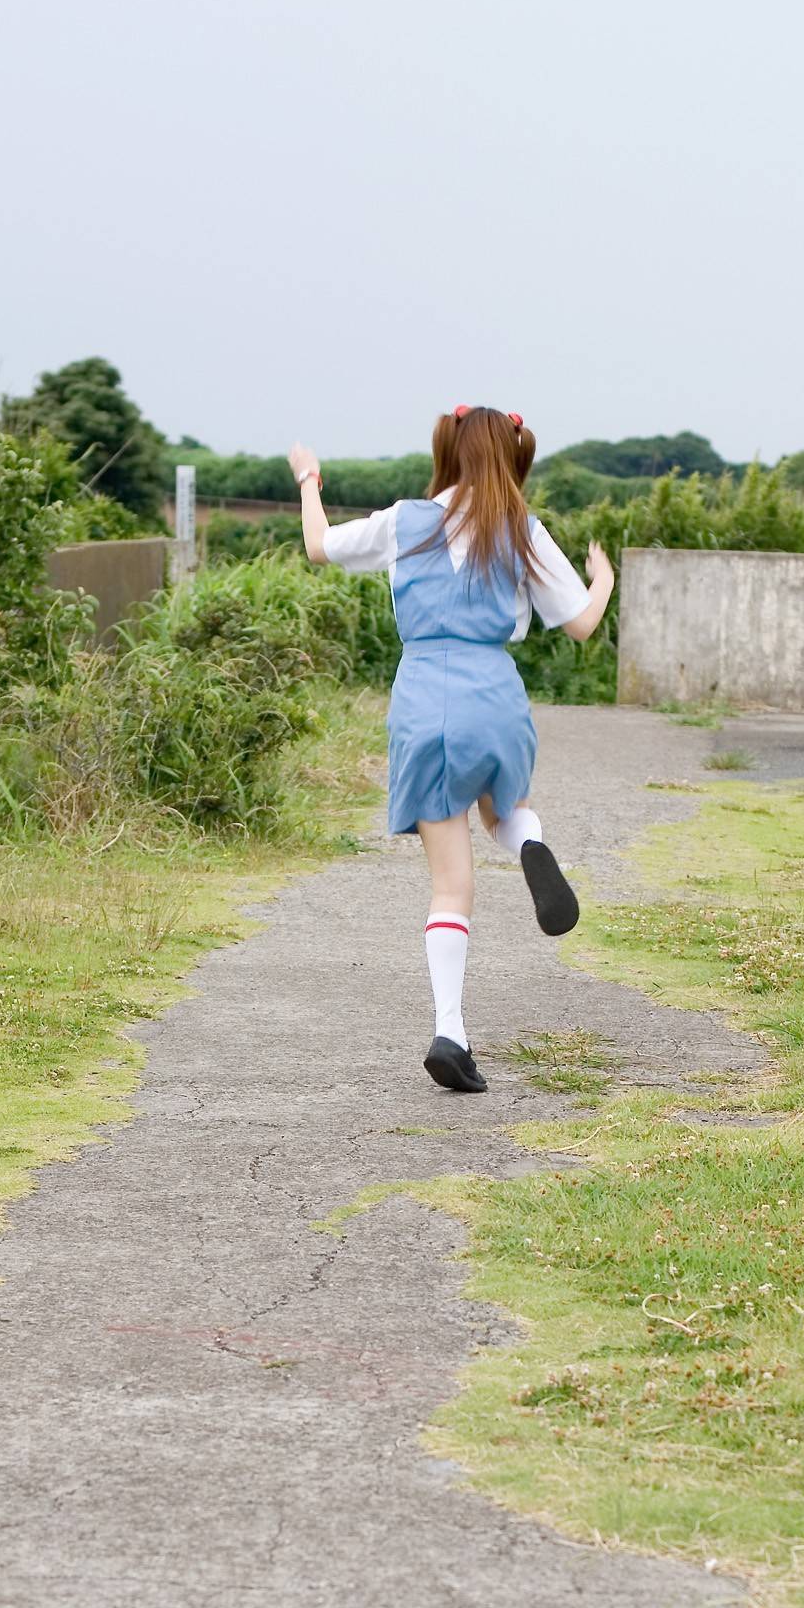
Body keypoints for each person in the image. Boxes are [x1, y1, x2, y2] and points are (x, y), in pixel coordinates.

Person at [288, 406, 615, 1093]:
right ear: (516, 456)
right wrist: (604, 577)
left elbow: (318, 546)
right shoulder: (520, 528)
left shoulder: (405, 520)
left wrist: (309, 478)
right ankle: (526, 842)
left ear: (447, 448)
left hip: (421, 698)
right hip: (492, 694)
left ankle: (451, 1031)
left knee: (449, 885)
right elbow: (582, 624)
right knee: (505, 810)